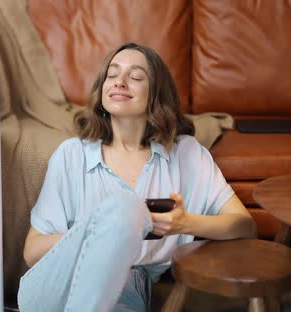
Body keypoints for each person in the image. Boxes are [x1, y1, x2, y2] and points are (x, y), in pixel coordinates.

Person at [17, 42, 257, 312]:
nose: (119, 82)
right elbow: (32, 250)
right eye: (112, 74)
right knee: (125, 207)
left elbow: (244, 225)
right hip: (51, 284)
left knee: (126, 210)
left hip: (126, 290)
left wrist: (185, 223)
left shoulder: (186, 155)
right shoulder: (71, 155)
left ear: (155, 93)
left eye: (135, 77)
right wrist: (98, 233)